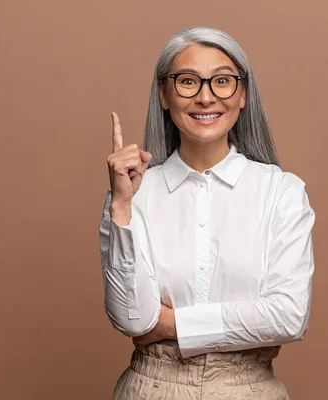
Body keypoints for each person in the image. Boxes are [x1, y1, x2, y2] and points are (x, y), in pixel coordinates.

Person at [99, 26, 315, 399]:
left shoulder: (281, 192)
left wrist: (172, 323)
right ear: (164, 94)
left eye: (222, 81)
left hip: (248, 388)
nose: (205, 97)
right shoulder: (134, 193)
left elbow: (288, 317)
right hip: (152, 388)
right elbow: (132, 319)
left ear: (243, 94)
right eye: (187, 81)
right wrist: (120, 207)